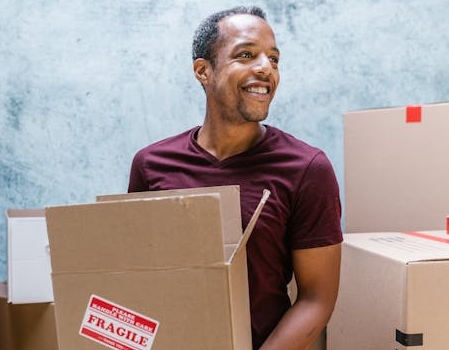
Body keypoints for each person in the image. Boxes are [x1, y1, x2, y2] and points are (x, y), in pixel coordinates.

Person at [127, 5, 342, 350]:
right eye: (246, 55)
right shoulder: (151, 165)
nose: (266, 69)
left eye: (274, 59)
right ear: (203, 71)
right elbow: (137, 276)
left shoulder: (306, 168)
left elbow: (316, 299)